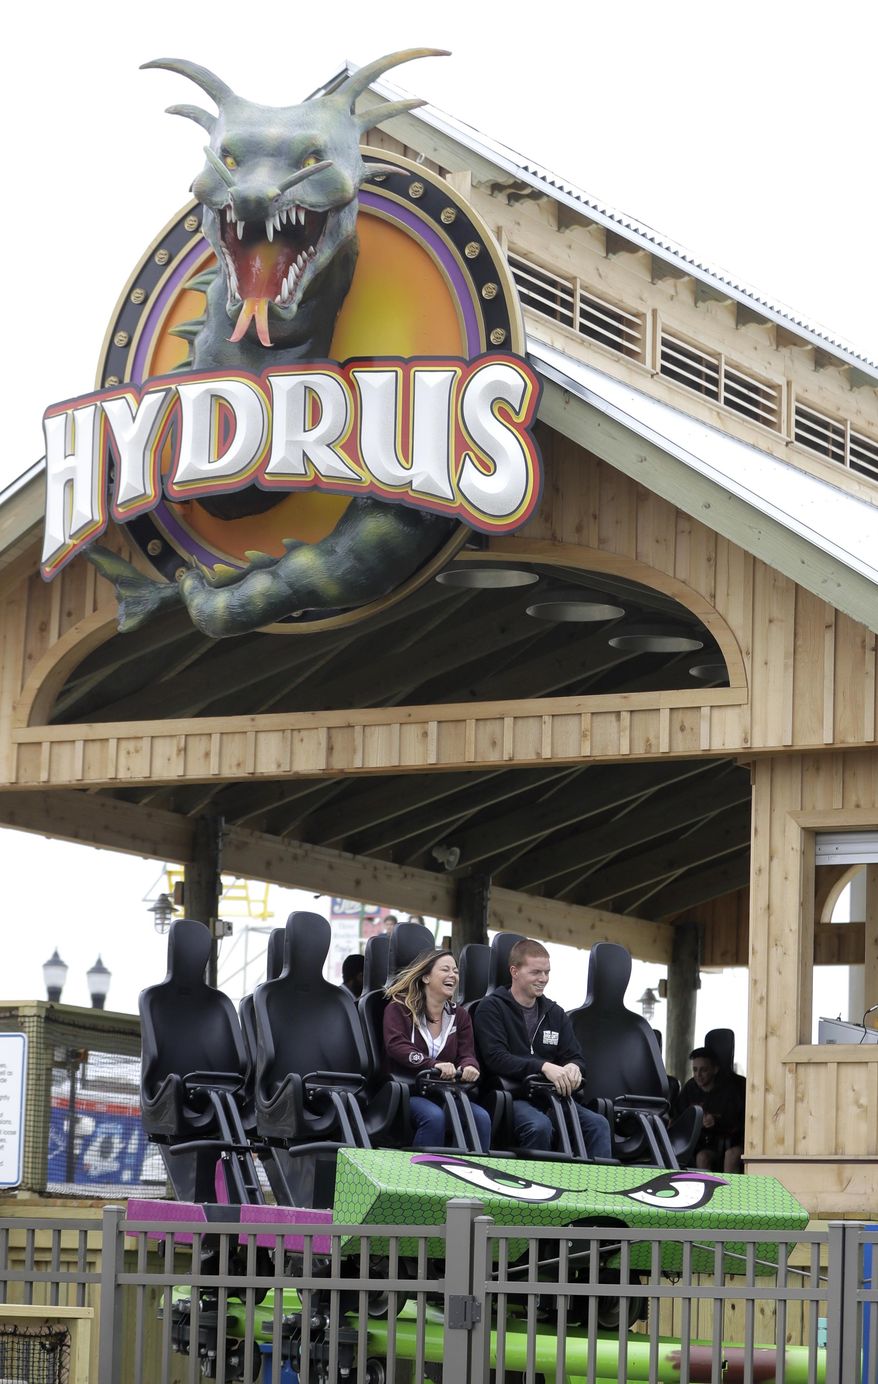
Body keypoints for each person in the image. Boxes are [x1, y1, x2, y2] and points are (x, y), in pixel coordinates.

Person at [473, 939, 612, 1159]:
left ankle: (598, 1191)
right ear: (514, 971)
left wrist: (574, 1067)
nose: (543, 979)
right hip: (510, 1098)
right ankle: (533, 1191)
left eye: (547, 972)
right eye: (536, 972)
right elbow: (496, 1058)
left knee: (598, 1124)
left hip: (551, 1098)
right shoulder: (491, 1007)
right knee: (539, 1126)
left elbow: (575, 1056)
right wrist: (543, 1067)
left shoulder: (555, 1013)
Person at [383, 949, 492, 1152]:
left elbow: (467, 1053)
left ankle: (473, 1178)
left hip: (445, 1092)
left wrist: (469, 1066)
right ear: (426, 977)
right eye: (445, 969)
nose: (453, 975)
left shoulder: (459, 1015)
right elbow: (396, 1045)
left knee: (481, 1118)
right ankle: (422, 1179)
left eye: (456, 971)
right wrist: (432, 1065)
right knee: (433, 1116)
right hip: (408, 1092)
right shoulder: (399, 1007)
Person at [679, 1046, 745, 1173]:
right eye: (695, 1070)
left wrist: (717, 1121)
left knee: (731, 1156)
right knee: (702, 1157)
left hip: (735, 1142)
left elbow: (741, 1121)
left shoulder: (733, 1089)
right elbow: (678, 1115)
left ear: (715, 1069)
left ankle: (729, 1193)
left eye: (703, 1070)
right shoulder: (690, 1088)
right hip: (708, 1145)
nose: (698, 1075)